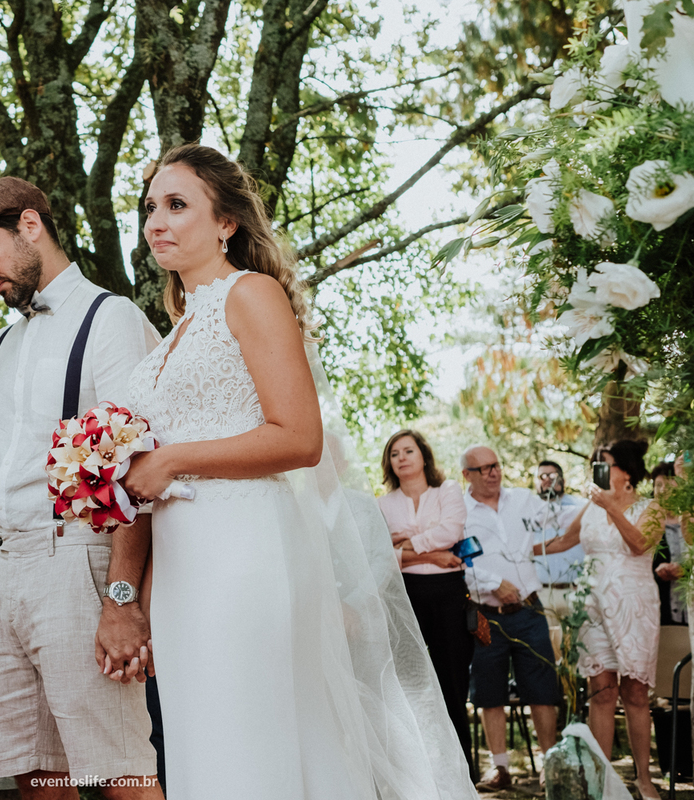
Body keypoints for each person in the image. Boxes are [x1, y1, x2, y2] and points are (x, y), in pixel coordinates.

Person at [121, 144, 475, 799]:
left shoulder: (250, 295)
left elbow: (299, 436)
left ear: (226, 222)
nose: (155, 222)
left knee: (250, 740)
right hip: (179, 572)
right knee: (202, 744)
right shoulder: (173, 333)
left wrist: (170, 459)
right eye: (149, 208)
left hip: (242, 553)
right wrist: (137, 601)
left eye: (176, 205)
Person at [0, 176, 164, 798]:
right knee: (36, 774)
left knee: (118, 769)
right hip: (3, 572)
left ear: (30, 226)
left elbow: (137, 470)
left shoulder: (111, 318)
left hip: (78, 561)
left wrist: (122, 599)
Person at [534, 440, 665, 799]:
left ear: (626, 470)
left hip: (634, 606)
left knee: (636, 693)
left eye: (604, 462)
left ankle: (644, 778)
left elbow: (640, 545)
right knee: (602, 691)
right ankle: (604, 780)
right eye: (595, 463)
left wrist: (613, 509)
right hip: (592, 605)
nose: (598, 468)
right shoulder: (591, 507)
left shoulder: (649, 506)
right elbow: (562, 541)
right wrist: (514, 552)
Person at [460, 444, 560, 792]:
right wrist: (492, 584)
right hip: (487, 615)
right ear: (467, 475)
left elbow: (555, 520)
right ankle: (500, 769)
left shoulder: (523, 500)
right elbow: (459, 564)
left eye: (496, 464)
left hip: (530, 611)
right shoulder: (459, 511)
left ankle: (550, 764)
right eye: (484, 468)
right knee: (490, 692)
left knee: (542, 688)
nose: (493, 472)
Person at [377, 429, 474, 778]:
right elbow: (378, 553)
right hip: (404, 596)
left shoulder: (447, 491)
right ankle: (419, 774)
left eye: (408, 450)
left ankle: (462, 772)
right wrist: (433, 555)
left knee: (452, 686)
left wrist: (404, 545)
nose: (402, 457)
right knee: (412, 685)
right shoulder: (382, 504)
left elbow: (452, 531)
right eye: (394, 453)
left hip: (449, 595)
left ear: (423, 456)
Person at [533, 460, 584, 618]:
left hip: (575, 592)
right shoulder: (528, 511)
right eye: (542, 476)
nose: (547, 479)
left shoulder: (581, 507)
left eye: (552, 475)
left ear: (563, 480)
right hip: (540, 595)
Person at [651, 462, 688, 625]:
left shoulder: (689, 521)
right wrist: (658, 573)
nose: (662, 490)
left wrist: (685, 570)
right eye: (658, 485)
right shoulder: (647, 525)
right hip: (661, 611)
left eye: (667, 485)